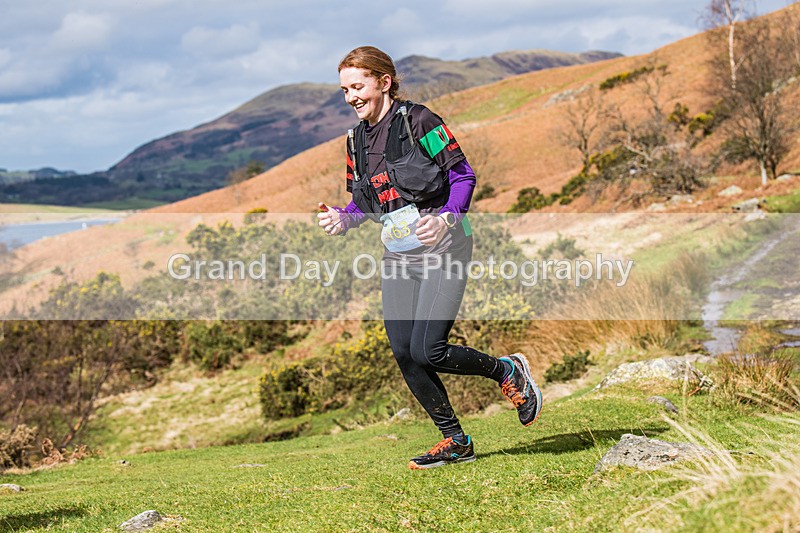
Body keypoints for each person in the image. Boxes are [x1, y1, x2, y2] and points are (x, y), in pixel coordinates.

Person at [318, 46, 542, 470]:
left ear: (384, 82)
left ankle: (507, 371)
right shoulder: (354, 140)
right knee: (404, 352)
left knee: (428, 349)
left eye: (358, 86)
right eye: (344, 90)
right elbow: (364, 203)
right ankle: (455, 440)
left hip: (445, 248)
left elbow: (463, 175)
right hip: (398, 255)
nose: (351, 97)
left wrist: (447, 218)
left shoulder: (421, 121)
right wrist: (342, 219)